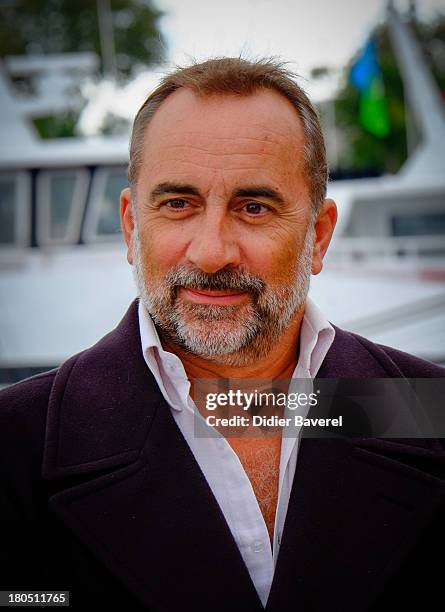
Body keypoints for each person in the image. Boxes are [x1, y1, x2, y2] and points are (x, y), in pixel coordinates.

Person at [1, 57, 444, 612]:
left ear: (319, 236)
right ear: (132, 227)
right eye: (178, 204)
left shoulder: (429, 411)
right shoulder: (15, 445)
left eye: (254, 207)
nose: (211, 252)